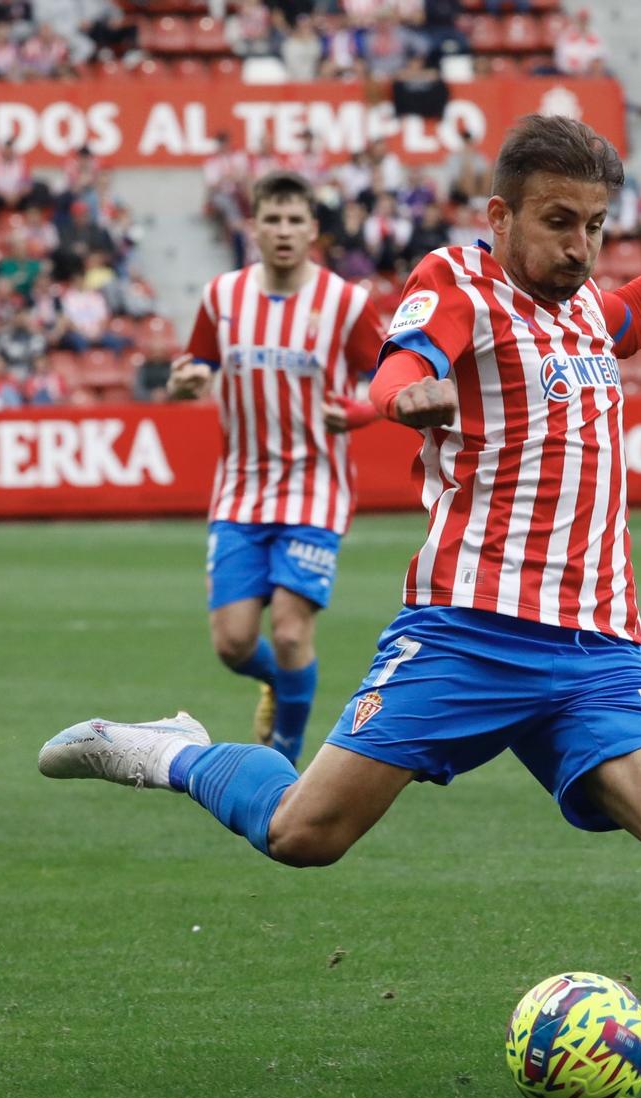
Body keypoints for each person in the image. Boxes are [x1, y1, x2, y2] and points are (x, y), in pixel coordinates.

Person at [36, 116, 641, 1098]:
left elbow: (632, 314)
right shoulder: (457, 281)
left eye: (596, 225)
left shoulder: (580, 308)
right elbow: (405, 355)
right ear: (498, 214)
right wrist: (403, 395)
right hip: (467, 630)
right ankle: (171, 750)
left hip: (598, 644)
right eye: (558, 221)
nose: (579, 245)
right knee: (307, 831)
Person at [161, 170, 387, 764]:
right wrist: (186, 379)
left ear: (313, 229)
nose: (284, 231)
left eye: (295, 220)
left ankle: (284, 759)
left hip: (316, 488)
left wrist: (360, 414)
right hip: (241, 488)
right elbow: (198, 362)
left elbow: (391, 379)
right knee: (234, 643)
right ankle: (276, 684)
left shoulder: (344, 302)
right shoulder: (223, 296)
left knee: (289, 631)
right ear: (252, 227)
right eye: (273, 219)